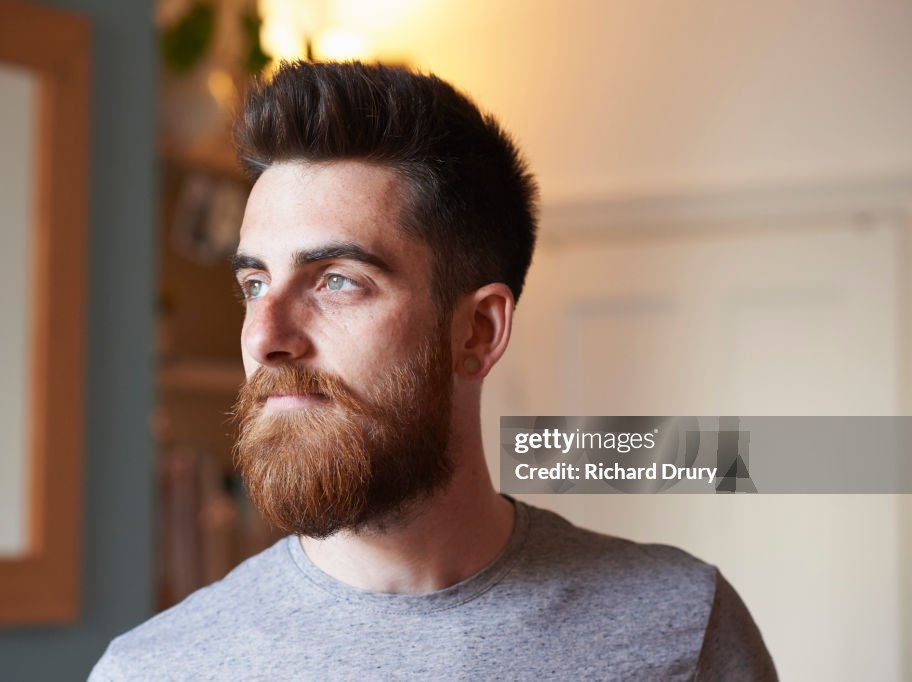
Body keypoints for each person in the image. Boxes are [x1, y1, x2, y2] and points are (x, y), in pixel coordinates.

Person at [89, 61, 776, 681]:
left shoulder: (684, 629)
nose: (266, 338)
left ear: (477, 332)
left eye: (337, 282)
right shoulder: (154, 670)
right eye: (254, 284)